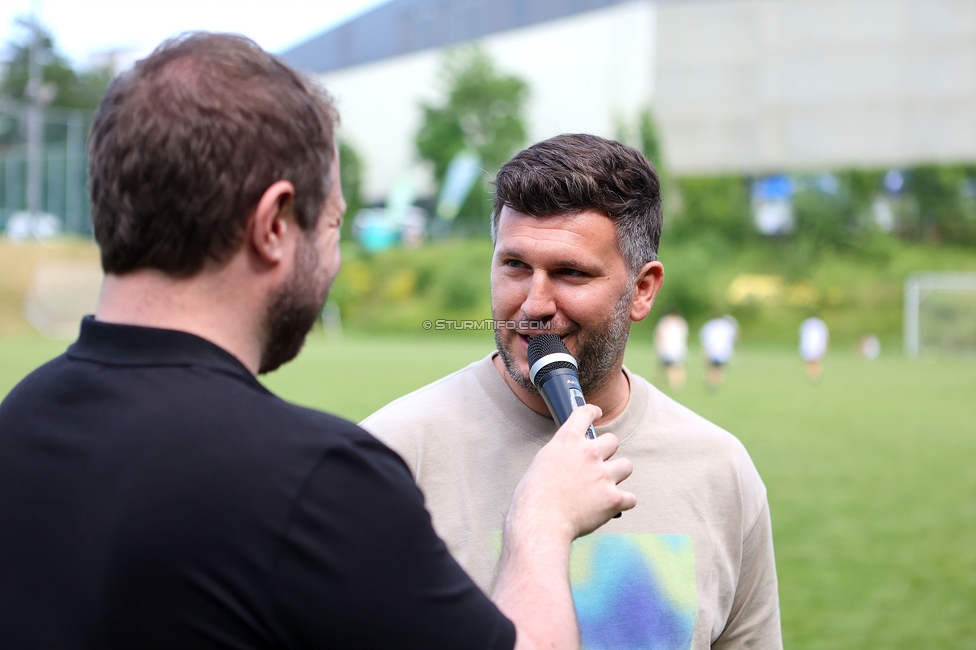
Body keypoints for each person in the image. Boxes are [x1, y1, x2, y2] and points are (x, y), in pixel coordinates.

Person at [0, 34, 637, 649]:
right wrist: (542, 522)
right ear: (275, 225)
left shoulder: (19, 421)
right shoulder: (318, 483)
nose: (332, 257)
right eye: (332, 223)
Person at [362, 134, 783, 649]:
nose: (534, 304)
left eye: (570, 273)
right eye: (514, 265)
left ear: (643, 289)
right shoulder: (391, 456)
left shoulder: (720, 471)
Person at [699, 315, 739, 391]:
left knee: (712, 368)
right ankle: (716, 383)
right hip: (723, 352)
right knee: (720, 369)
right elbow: (733, 338)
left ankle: (712, 382)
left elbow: (705, 340)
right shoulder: (726, 326)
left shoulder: (709, 326)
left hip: (712, 351)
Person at [654, 309, 689, 391]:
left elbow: (659, 334)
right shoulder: (681, 322)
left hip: (668, 348)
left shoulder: (665, 322)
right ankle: (679, 383)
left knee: (670, 367)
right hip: (678, 348)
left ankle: (675, 385)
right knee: (677, 366)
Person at [799, 316, 829, 381]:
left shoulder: (808, 324)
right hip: (815, 347)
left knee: (813, 362)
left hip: (812, 347)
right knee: (814, 362)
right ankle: (814, 376)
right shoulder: (820, 325)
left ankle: (813, 376)